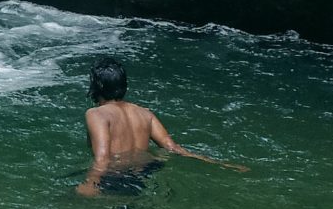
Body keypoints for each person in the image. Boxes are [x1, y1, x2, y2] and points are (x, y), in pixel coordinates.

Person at [76, 57, 247, 195]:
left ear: (96, 86)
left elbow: (103, 157)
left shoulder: (96, 114)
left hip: (115, 176)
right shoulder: (144, 113)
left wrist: (91, 182)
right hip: (146, 171)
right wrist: (220, 163)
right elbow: (172, 147)